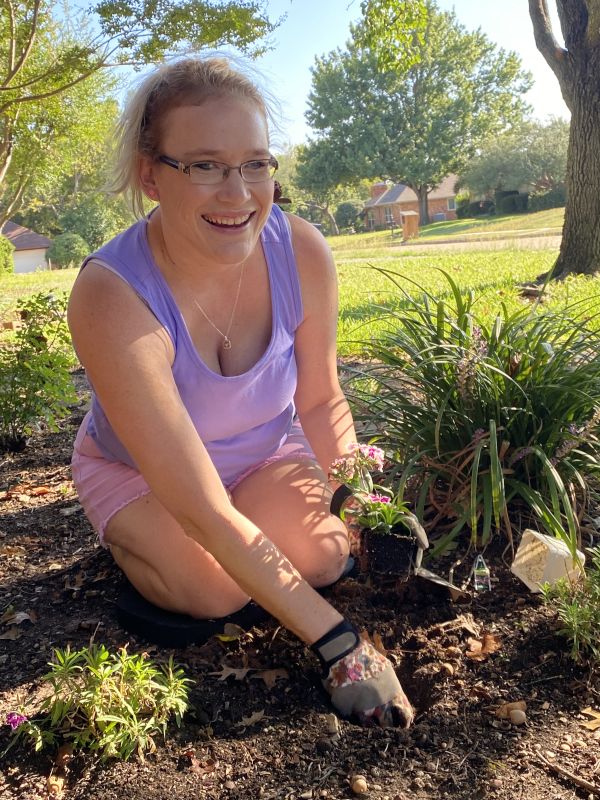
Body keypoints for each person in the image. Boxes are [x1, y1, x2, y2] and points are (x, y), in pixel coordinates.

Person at [68, 56, 413, 728]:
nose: (239, 193)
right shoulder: (112, 295)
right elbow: (197, 503)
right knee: (207, 589)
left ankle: (264, 544)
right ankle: (131, 543)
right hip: (147, 475)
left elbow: (319, 400)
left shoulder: (303, 252)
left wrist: (363, 504)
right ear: (150, 175)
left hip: (261, 450)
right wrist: (340, 643)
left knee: (325, 550)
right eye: (204, 165)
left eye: (256, 163)